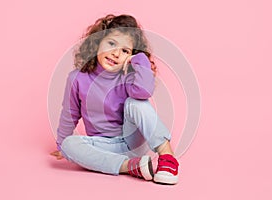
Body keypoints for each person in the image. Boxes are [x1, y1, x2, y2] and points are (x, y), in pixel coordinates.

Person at [50, 14, 179, 184]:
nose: (116, 53)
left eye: (125, 51)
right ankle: (130, 166)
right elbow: (70, 113)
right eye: (111, 44)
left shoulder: (127, 76)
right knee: (69, 145)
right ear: (97, 43)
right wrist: (61, 145)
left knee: (135, 102)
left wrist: (139, 60)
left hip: (132, 141)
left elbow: (143, 92)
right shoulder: (77, 79)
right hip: (103, 148)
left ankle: (168, 157)